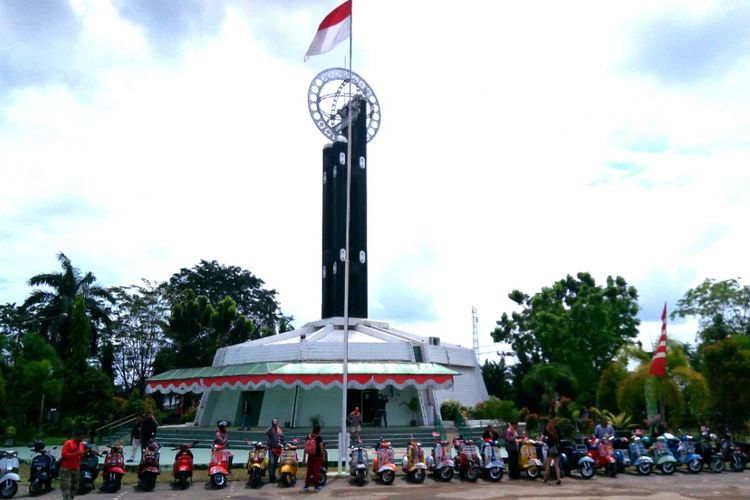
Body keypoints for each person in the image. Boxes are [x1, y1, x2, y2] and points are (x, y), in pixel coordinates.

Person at [60, 427, 86, 500]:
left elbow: (81, 456)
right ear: (76, 436)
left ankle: (70, 498)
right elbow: (64, 454)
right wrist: (76, 454)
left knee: (75, 486)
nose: (82, 439)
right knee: (66, 486)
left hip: (76, 468)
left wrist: (84, 454)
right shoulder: (68, 443)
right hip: (66, 468)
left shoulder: (81, 445)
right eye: (80, 437)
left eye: (83, 437)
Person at [302, 424, 325, 492]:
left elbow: (305, 448)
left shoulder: (308, 436)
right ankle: (316, 487)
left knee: (309, 472)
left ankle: (306, 486)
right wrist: (323, 456)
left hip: (310, 456)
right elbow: (321, 447)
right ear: (319, 430)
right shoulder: (319, 438)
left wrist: (304, 457)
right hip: (317, 457)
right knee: (316, 472)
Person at [543, 419, 562, 485]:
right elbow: (560, 437)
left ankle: (545, 478)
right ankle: (559, 478)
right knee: (556, 465)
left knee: (548, 464)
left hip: (551, 449)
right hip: (557, 449)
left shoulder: (547, 430)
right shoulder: (557, 430)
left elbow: (544, 437)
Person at [266, 417, 284, 483]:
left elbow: (282, 438)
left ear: (277, 422)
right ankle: (271, 477)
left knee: (275, 463)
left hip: (278, 449)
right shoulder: (270, 430)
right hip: (271, 449)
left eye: (275, 421)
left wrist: (282, 444)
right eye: (273, 421)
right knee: (271, 462)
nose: (274, 422)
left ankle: (273, 476)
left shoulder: (280, 430)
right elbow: (267, 433)